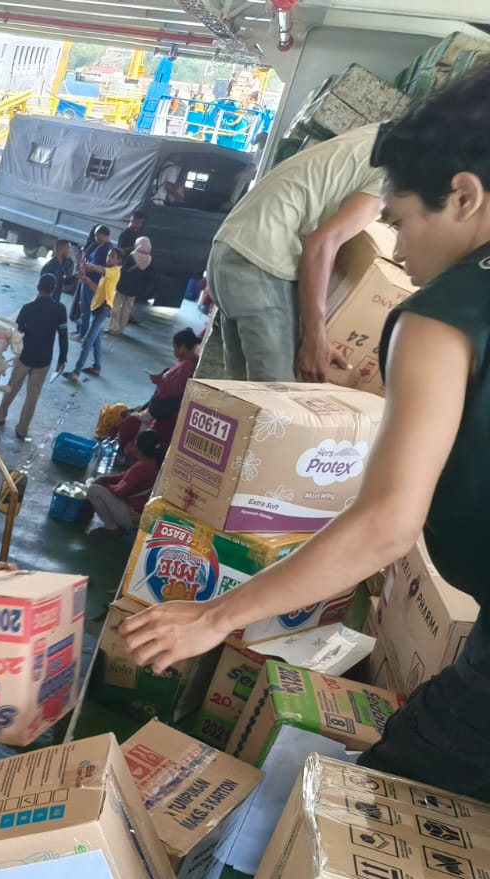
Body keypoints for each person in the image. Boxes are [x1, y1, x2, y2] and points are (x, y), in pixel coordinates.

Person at [121, 68, 490, 801]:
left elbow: (387, 524)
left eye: (401, 222)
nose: (397, 250)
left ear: (467, 197)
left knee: (390, 808)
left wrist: (213, 615)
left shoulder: (445, 310)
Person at [208, 124, 384, 383]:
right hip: (262, 261)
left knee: (239, 399)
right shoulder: (399, 169)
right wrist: (315, 337)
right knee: (276, 403)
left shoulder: (374, 137)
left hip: (231, 251)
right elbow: (321, 244)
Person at [0, 275, 68, 440]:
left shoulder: (28, 308)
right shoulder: (60, 309)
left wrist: (11, 351)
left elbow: (17, 333)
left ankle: (1, 415)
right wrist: (62, 358)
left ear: (38, 287)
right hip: (44, 359)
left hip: (25, 356)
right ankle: (22, 429)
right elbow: (63, 336)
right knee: (33, 395)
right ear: (54, 289)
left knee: (12, 387)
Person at [115, 328, 201, 458]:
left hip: (162, 410)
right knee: (128, 422)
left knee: (127, 431)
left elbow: (173, 391)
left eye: (175, 347)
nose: (174, 351)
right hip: (157, 407)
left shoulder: (187, 367)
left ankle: (135, 448)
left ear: (183, 347)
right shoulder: (185, 362)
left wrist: (160, 382)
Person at [85, 430, 163, 534]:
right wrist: (105, 479)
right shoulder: (154, 462)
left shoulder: (141, 468)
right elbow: (125, 477)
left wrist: (104, 485)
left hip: (133, 516)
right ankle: (116, 524)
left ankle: (112, 528)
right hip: (143, 513)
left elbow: (119, 491)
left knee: (93, 490)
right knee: (99, 482)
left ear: (138, 447)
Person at [64, 247, 122, 382]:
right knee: (96, 340)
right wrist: (87, 280)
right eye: (108, 255)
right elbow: (98, 290)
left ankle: (76, 372)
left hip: (103, 308)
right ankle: (97, 367)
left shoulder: (114, 271)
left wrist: (89, 266)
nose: (109, 258)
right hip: (97, 308)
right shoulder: (106, 275)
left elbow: (99, 269)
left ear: (118, 260)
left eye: (112, 256)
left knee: (87, 341)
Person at [73, 226, 113, 338]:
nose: (95, 238)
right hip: (90, 281)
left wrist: (84, 266)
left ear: (104, 235)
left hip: (91, 282)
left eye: (97, 235)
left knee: (85, 309)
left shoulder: (103, 249)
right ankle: (81, 331)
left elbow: (95, 267)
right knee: (84, 308)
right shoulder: (103, 247)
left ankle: (82, 333)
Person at [109, 236, 152, 334]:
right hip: (134, 289)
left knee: (115, 306)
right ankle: (121, 329)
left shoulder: (133, 256)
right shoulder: (149, 260)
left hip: (123, 285)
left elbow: (123, 270)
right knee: (127, 309)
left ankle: (114, 328)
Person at [39, 238, 77, 303]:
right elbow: (44, 289)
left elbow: (63, 282)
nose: (69, 251)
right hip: (46, 303)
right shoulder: (49, 267)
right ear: (61, 250)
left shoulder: (62, 265)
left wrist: (76, 276)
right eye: (68, 248)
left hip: (55, 301)